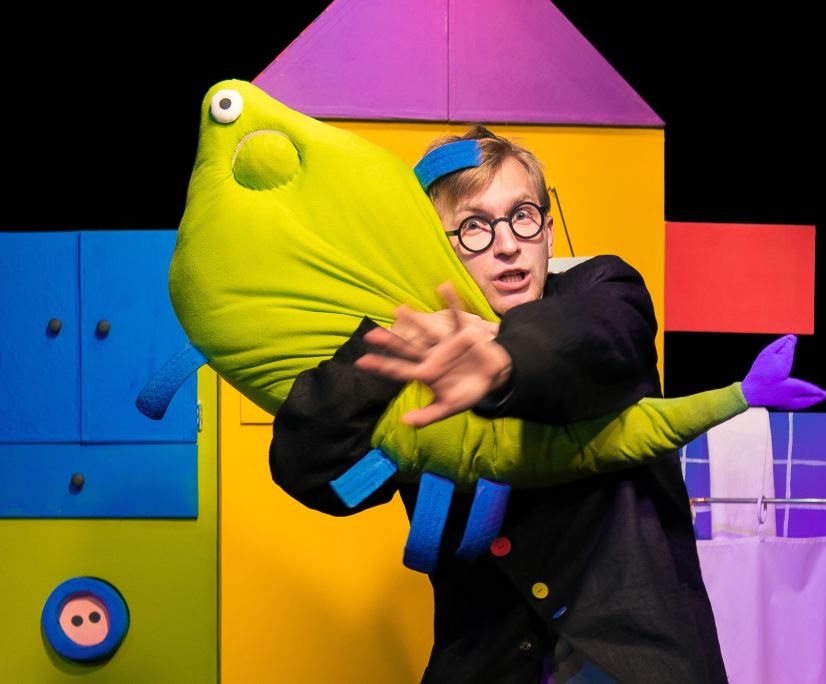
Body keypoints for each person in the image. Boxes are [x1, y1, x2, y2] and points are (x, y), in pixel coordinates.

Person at [271, 126, 741, 682]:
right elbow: (314, 472)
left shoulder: (602, 291)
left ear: (547, 231)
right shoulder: (412, 348)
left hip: (632, 661)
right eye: (473, 226)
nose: (508, 243)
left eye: (522, 215)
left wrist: (503, 359)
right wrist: (394, 344)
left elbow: (596, 337)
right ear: (431, 247)